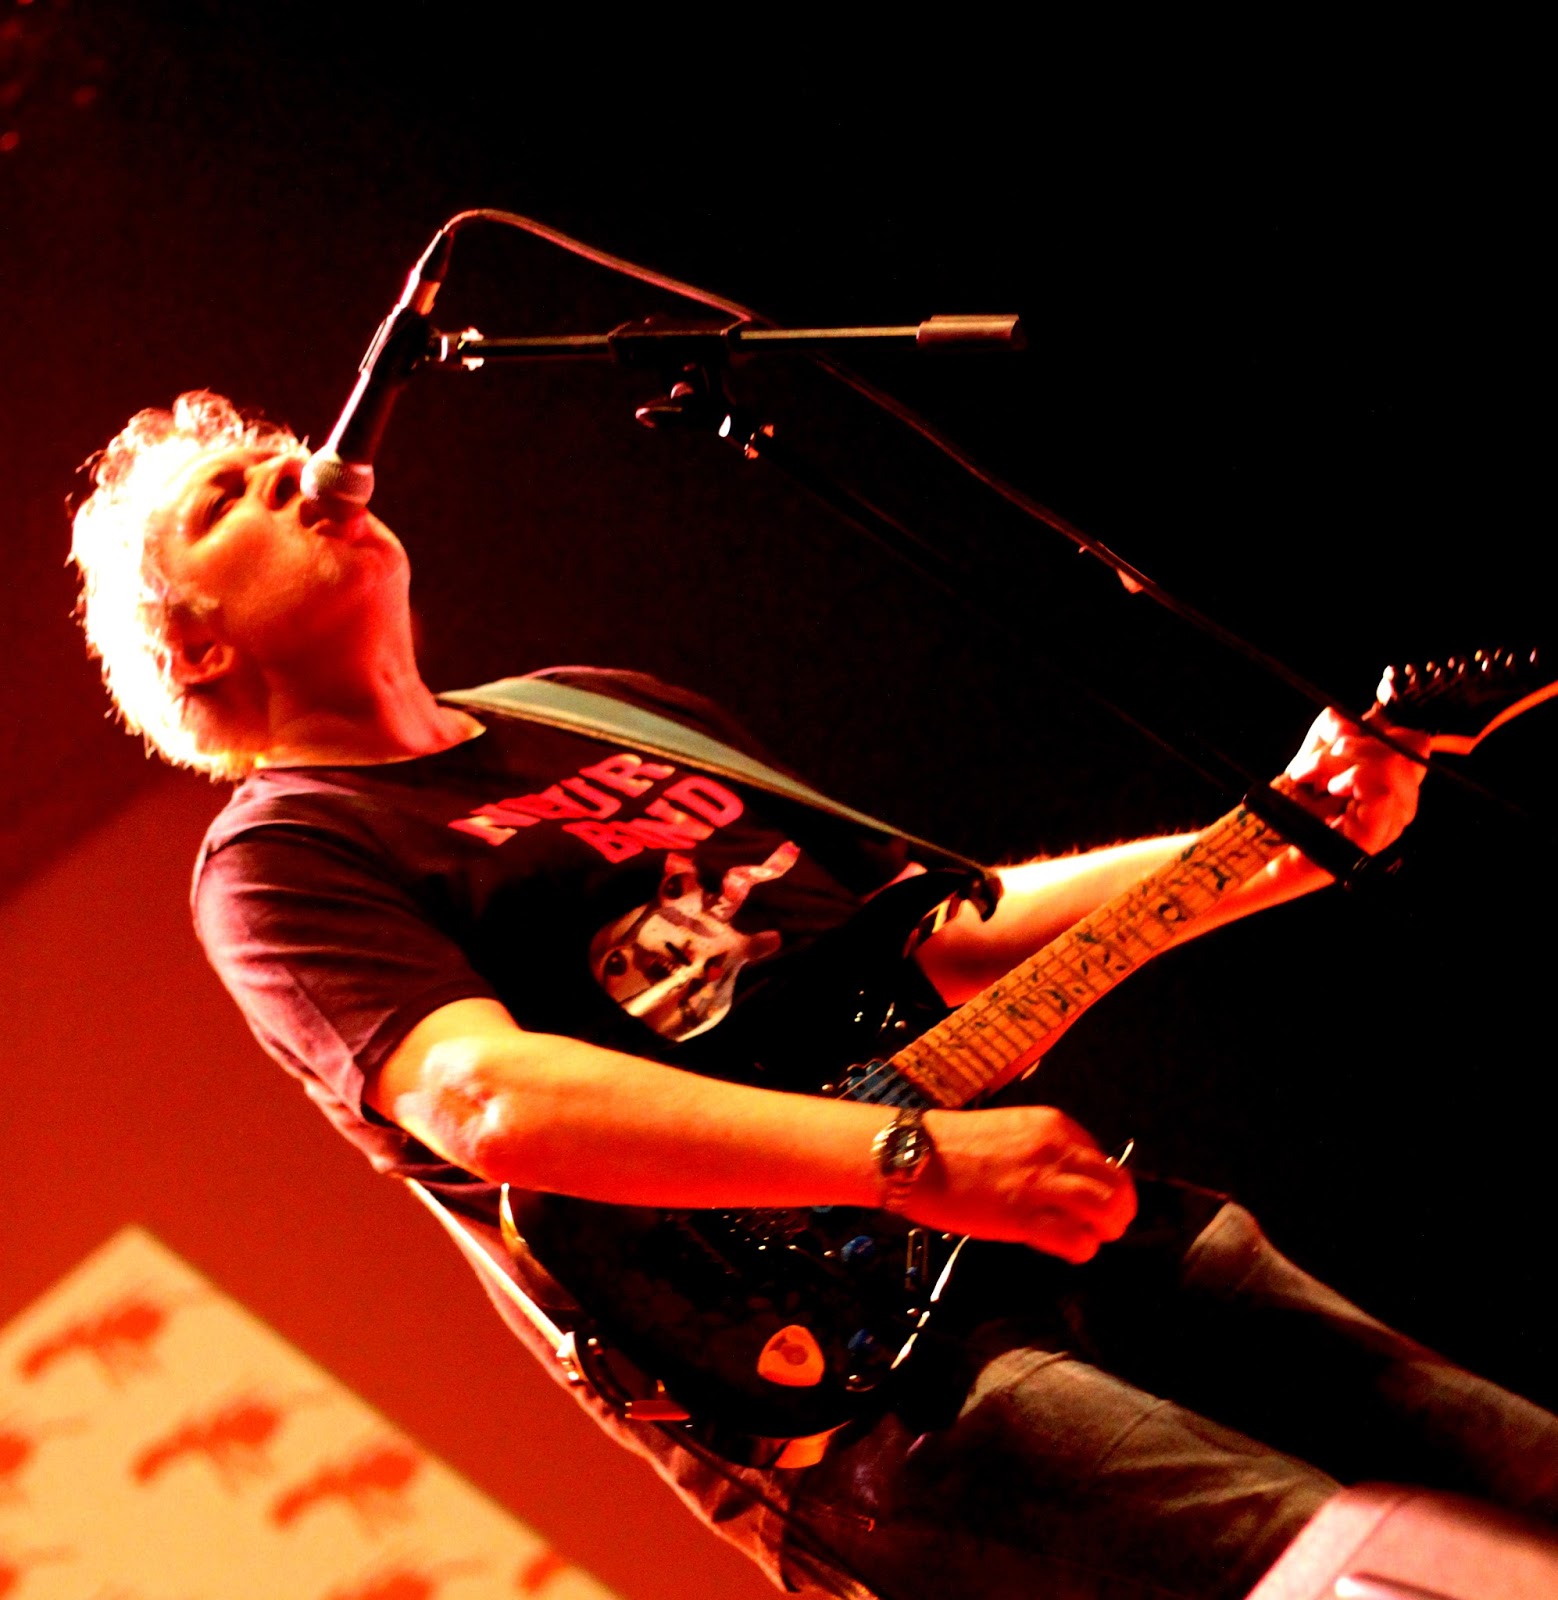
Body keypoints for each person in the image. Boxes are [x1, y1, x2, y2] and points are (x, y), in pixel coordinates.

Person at [69, 392, 1558, 1599]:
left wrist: (1287, 836)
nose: (297, 471)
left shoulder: (599, 710)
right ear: (195, 643)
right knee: (1394, 1585)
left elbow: (940, 939)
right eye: (227, 498)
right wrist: (907, 1158)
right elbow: (488, 1098)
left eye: (283, 451)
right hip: (862, 1386)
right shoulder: (284, 853)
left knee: (1525, 1482)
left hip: (1062, 1221)